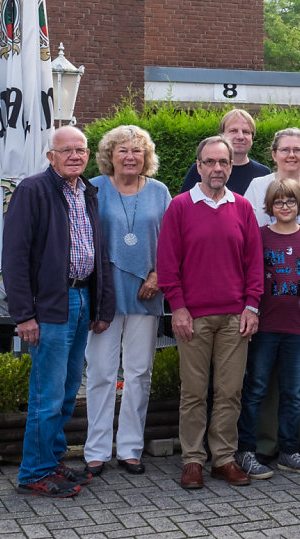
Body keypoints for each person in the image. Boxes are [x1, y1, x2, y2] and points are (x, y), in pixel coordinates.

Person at [2, 126, 115, 498]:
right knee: (46, 394)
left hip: (81, 300)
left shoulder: (88, 192)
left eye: (80, 149)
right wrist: (24, 315)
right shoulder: (33, 190)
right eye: (65, 151)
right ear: (50, 156)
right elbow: (14, 259)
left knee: (67, 392)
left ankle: (50, 459)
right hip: (50, 305)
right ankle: (33, 472)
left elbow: (98, 253)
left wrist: (100, 305)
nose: (74, 156)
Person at [157, 136, 264, 489]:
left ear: (231, 167)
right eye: (210, 162)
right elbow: (168, 264)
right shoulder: (180, 206)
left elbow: (254, 263)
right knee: (193, 392)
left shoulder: (243, 208)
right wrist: (179, 309)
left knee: (230, 392)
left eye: (223, 163)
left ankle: (224, 458)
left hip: (235, 316)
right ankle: (192, 460)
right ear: (199, 166)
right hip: (194, 317)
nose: (217, 169)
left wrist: (252, 305)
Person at [243, 128, 300, 465]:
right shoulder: (258, 186)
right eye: (285, 149)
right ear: (274, 153)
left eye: (298, 149)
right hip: (268, 302)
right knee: (264, 377)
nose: (292, 155)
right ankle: (266, 444)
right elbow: (251, 240)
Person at [84, 125, 171, 477]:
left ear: (146, 157)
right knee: (101, 372)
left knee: (139, 373)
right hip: (104, 293)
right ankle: (96, 450)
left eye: (137, 150)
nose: (130, 156)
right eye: (123, 150)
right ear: (110, 155)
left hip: (147, 292)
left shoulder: (160, 191)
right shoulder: (93, 188)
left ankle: (132, 448)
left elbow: (172, 241)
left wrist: (158, 275)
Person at [236, 179, 300, 479]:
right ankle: (246, 449)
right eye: (279, 202)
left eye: (290, 201)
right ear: (269, 207)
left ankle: (289, 451)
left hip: (296, 328)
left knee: (292, 393)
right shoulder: (259, 236)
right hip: (265, 326)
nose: (285, 207)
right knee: (256, 388)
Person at [179, 108, 270, 195]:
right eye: (233, 131)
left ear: (252, 138)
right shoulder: (202, 169)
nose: (240, 137)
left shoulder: (263, 173)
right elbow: (184, 205)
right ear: (222, 135)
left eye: (246, 132)